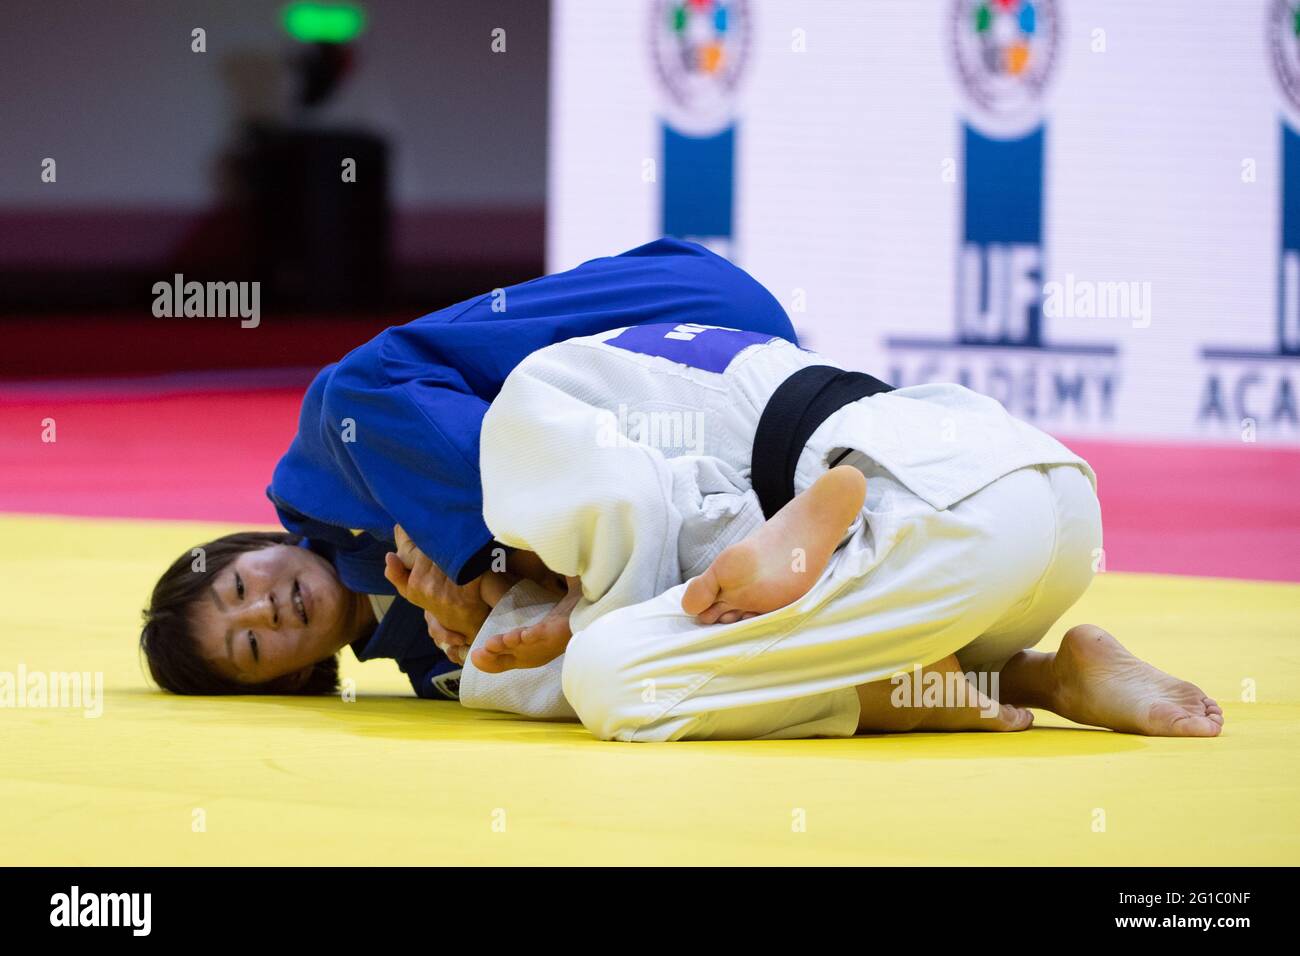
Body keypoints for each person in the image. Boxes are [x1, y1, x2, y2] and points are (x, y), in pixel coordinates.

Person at [468, 322, 1225, 742]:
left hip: (939, 527)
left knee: (607, 674)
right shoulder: (641, 355)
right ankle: (1037, 676)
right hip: (1035, 489)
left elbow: (635, 511)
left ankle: (900, 696)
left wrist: (554, 626)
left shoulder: (522, 405)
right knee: (731, 618)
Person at [139, 239, 798, 697]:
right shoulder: (440, 672)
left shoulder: (321, 465)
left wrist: (489, 573)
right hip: (749, 444)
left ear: (251, 547)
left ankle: (580, 571)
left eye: (238, 589)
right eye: (252, 646)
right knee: (568, 676)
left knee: (360, 390)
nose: (266, 610)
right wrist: (483, 625)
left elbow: (364, 392)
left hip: (684, 314)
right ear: (290, 680)